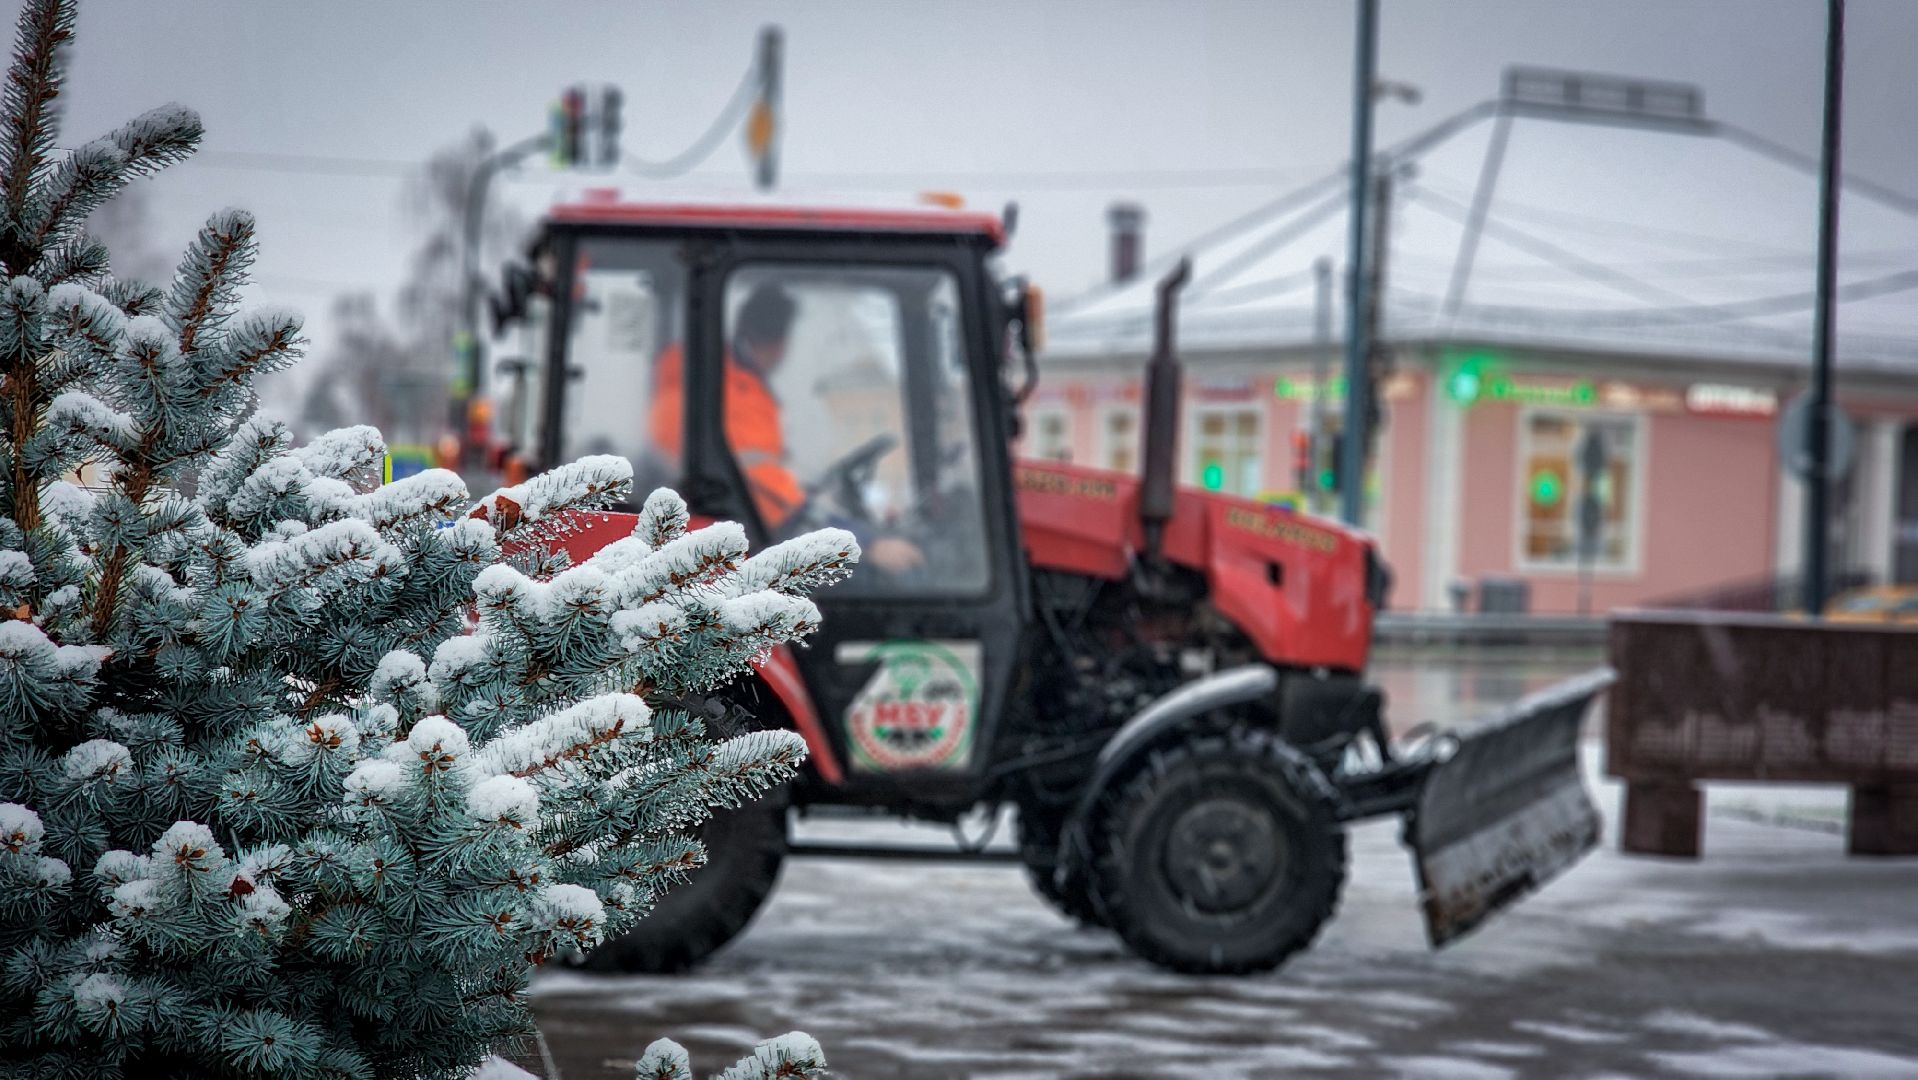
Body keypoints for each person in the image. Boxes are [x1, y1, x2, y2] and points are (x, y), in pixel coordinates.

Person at [649, 283, 924, 573]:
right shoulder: (730, 395)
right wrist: (865, 543)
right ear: (779, 343)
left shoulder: (701, 385)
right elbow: (776, 506)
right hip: (735, 563)